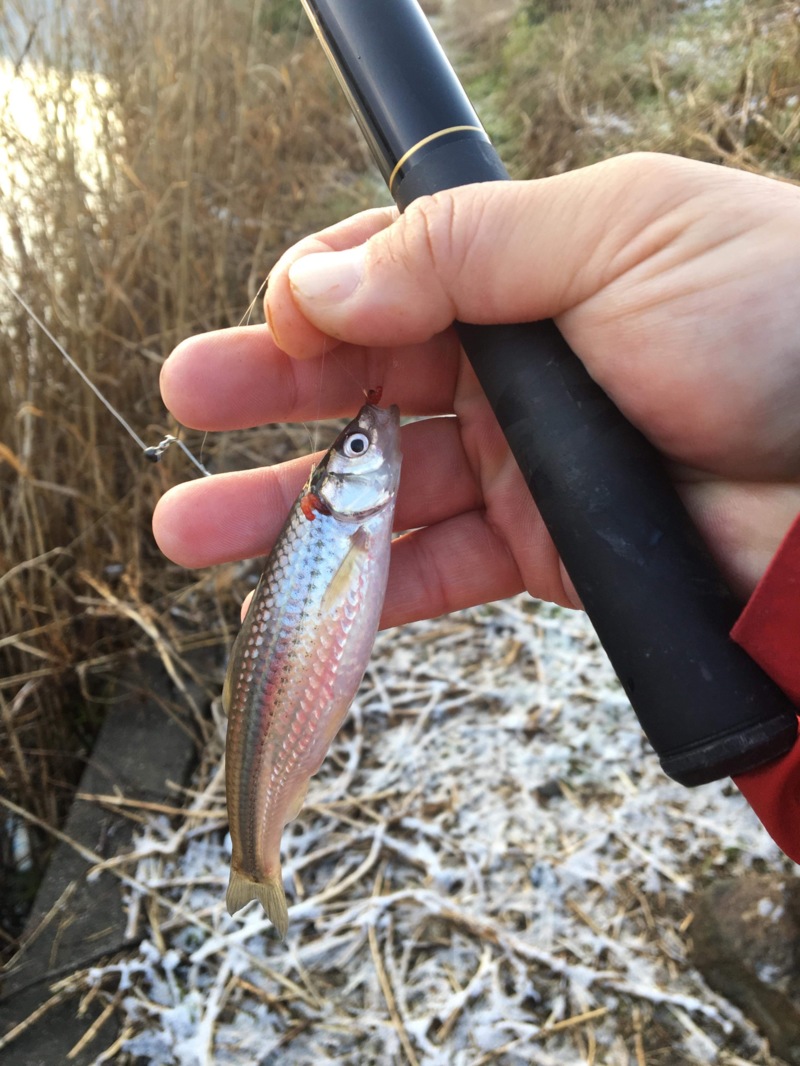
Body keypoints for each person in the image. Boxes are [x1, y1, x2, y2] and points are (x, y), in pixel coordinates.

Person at [152, 152, 800, 855]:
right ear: (334, 496)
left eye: (356, 448)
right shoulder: (336, 519)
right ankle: (257, 857)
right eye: (357, 454)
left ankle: (256, 852)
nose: (375, 439)